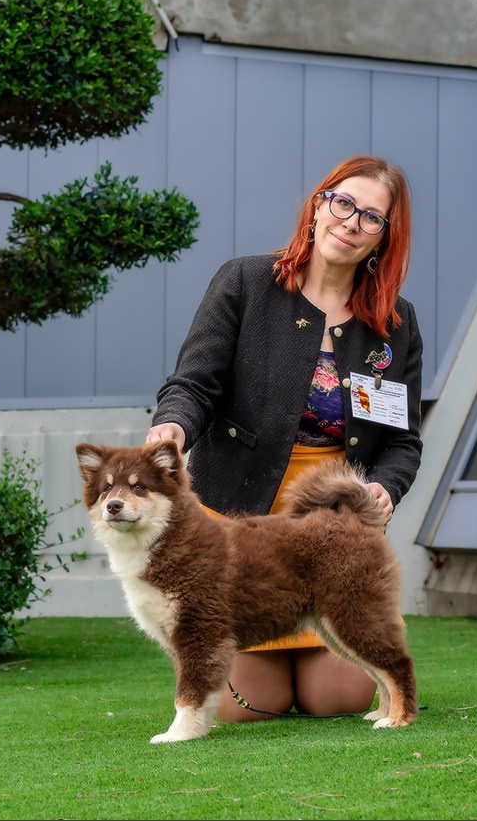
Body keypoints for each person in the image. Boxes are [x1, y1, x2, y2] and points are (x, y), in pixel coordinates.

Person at [146, 154, 423, 722]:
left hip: (329, 535)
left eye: (372, 217)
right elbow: (193, 384)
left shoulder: (395, 323)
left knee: (335, 700)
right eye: (342, 203)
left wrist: (386, 490)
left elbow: (401, 441)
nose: (351, 222)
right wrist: (173, 424)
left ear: (383, 239)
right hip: (238, 526)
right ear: (319, 205)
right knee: (252, 707)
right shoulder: (245, 281)